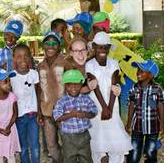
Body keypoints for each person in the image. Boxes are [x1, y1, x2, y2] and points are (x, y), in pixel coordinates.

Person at [85, 32, 132, 163]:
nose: (102, 50)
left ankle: (116, 159)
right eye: (99, 47)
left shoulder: (113, 63)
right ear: (93, 47)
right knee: (98, 133)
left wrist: (110, 108)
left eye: (105, 47)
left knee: (114, 132)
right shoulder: (89, 65)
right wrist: (104, 108)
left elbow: (114, 83)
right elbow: (95, 88)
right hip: (96, 103)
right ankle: (100, 158)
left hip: (112, 102)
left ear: (109, 48)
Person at [53, 69, 98, 163]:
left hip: (84, 136)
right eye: (69, 85)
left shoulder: (86, 99)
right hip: (68, 137)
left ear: (81, 84)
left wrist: (85, 114)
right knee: (69, 159)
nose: (73, 87)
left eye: (76, 84)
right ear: (65, 86)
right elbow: (57, 117)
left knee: (86, 159)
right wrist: (71, 114)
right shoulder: (62, 101)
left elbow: (94, 111)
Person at [126, 59, 164, 163]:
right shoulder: (134, 88)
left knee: (150, 152)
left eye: (142, 71)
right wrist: (129, 123)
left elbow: (160, 105)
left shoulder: (158, 89)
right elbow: (131, 105)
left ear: (151, 75)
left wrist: (162, 123)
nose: (138, 73)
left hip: (153, 127)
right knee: (134, 151)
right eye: (138, 70)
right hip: (137, 126)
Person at [37, 31, 66, 162]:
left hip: (65, 112)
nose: (50, 46)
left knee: (67, 142)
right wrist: (39, 112)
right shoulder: (39, 66)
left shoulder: (66, 63)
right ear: (43, 45)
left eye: (54, 43)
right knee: (51, 144)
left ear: (59, 46)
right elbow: (38, 90)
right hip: (46, 112)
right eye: (47, 43)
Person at [10, 44, 40, 163]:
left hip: (33, 115)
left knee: (35, 145)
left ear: (30, 58)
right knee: (22, 146)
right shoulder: (11, 76)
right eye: (19, 56)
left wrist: (39, 113)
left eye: (26, 56)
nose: (23, 60)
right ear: (14, 59)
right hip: (19, 117)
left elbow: (38, 93)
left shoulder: (33, 74)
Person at [0, 68, 21, 163]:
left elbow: (15, 113)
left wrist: (8, 127)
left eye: (9, 81)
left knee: (11, 154)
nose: (9, 83)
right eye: (6, 81)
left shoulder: (12, 96)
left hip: (10, 128)